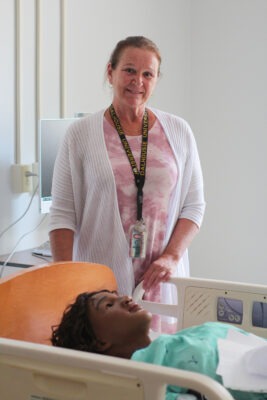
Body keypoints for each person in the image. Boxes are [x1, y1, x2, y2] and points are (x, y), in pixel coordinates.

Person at [48, 36, 205, 332]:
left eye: (148, 74)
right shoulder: (79, 135)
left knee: (159, 363)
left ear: (156, 79)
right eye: (129, 70)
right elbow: (62, 215)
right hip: (100, 286)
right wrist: (63, 281)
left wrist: (171, 257)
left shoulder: (179, 131)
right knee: (109, 366)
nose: (138, 81)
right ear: (111, 72)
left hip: (161, 281)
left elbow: (194, 205)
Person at [51, 290, 267, 400]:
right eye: (109, 305)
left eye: (117, 296)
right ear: (100, 342)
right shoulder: (148, 381)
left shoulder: (173, 343)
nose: (125, 298)